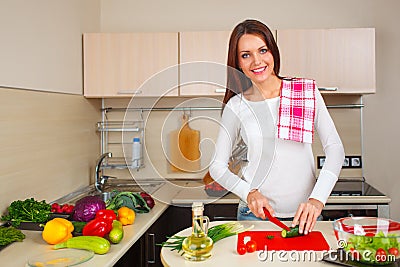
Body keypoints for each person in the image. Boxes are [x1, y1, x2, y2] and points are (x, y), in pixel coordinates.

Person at [209, 19, 345, 235]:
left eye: (263, 50)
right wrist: (249, 192)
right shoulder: (237, 106)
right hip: (256, 216)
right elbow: (216, 166)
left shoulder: (304, 91)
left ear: (273, 51)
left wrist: (317, 200)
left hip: (306, 217)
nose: (256, 61)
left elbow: (335, 149)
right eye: (246, 55)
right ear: (238, 63)